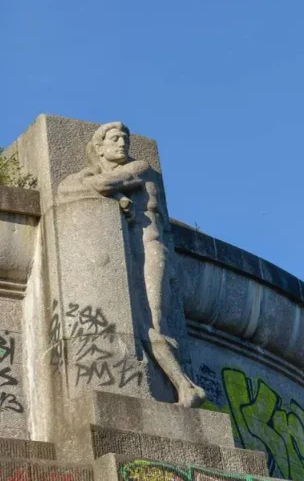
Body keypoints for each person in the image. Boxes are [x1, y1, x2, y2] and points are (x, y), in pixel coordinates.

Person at [58, 122, 205, 407]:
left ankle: (185, 385)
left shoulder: (141, 168)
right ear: (99, 148)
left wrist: (115, 194)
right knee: (142, 325)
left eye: (125, 139)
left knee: (154, 323)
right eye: (114, 139)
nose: (122, 144)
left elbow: (101, 184)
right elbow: (66, 188)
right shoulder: (105, 172)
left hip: (152, 250)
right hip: (126, 253)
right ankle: (185, 387)